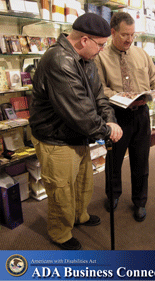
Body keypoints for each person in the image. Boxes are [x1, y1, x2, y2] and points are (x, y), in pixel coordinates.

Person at [29, 13, 123, 250]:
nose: (102, 50)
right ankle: (60, 233)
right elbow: (79, 111)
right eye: (100, 45)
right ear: (84, 40)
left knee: (83, 181)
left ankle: (79, 216)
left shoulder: (86, 59)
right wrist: (105, 130)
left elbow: (99, 97)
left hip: (77, 134)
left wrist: (110, 121)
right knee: (61, 189)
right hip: (56, 138)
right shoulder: (59, 60)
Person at [95, 12, 155, 222]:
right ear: (113, 32)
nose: (129, 39)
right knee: (114, 161)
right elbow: (100, 89)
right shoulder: (101, 57)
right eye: (125, 34)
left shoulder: (142, 54)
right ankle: (113, 195)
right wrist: (121, 97)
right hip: (117, 116)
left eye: (132, 34)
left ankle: (140, 202)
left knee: (141, 162)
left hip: (142, 115)